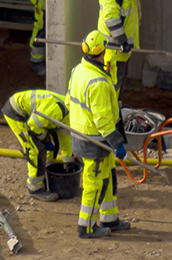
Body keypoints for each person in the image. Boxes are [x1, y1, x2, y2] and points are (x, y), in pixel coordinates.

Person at [66, 31, 127, 238]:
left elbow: (68, 102)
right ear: (103, 50)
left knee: (108, 175)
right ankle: (87, 227)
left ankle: (109, 218)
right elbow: (102, 120)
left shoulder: (79, 70)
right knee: (93, 183)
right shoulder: (97, 82)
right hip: (95, 140)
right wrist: (116, 142)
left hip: (85, 136)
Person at [1, 87, 72, 201]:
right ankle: (35, 189)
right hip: (17, 113)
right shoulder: (58, 109)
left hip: (33, 117)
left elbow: (65, 139)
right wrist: (45, 139)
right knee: (36, 150)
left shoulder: (69, 114)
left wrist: (69, 162)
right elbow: (33, 125)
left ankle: (48, 176)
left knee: (54, 141)